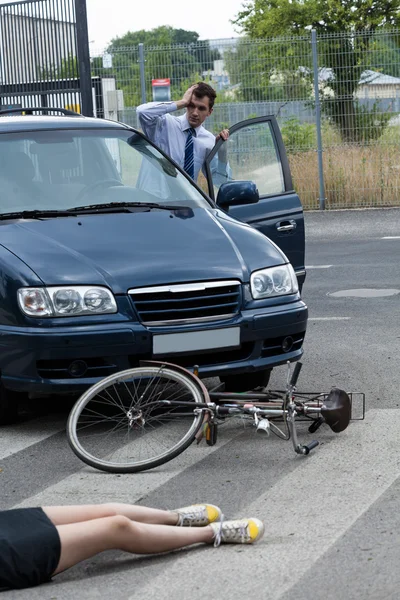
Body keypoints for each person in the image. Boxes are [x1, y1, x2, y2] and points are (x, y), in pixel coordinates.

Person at [0, 501, 264, 591]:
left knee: (101, 511)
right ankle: (210, 533)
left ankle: (176, 518)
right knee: (115, 527)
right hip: (7, 556)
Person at [136, 82, 230, 185]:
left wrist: (222, 155)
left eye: (201, 108)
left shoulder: (209, 141)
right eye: (191, 105)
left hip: (186, 200)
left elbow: (219, 181)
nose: (195, 113)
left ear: (209, 112)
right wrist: (182, 102)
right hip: (152, 199)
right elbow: (142, 112)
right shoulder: (164, 124)